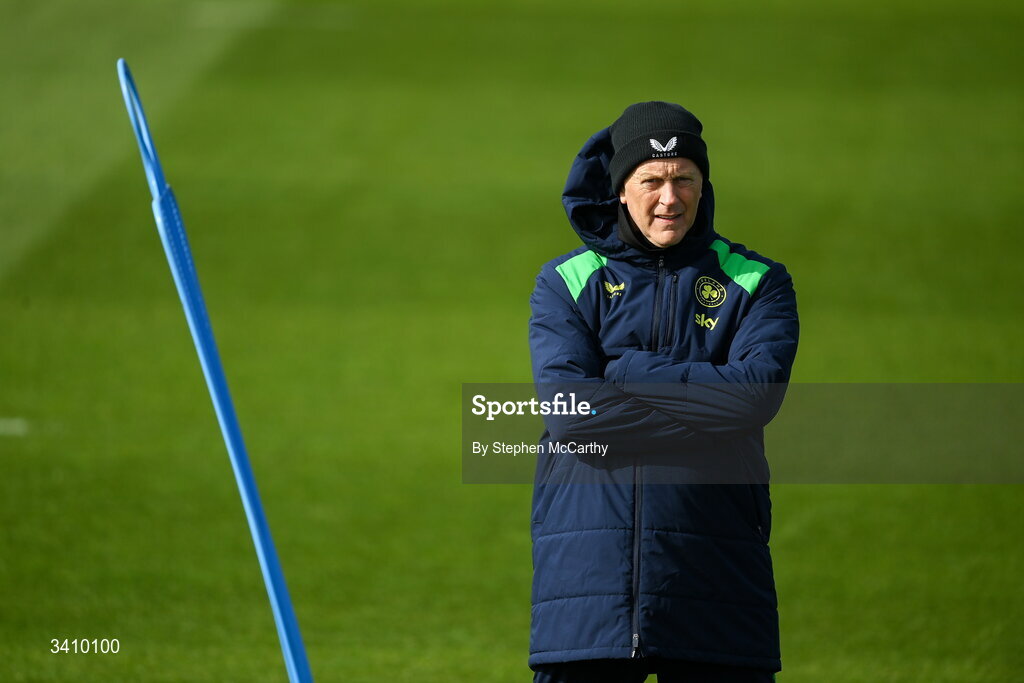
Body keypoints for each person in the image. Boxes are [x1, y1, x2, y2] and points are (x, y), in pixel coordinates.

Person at [528, 102, 799, 682]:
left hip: (715, 575)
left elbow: (754, 399)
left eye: (684, 180)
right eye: (650, 181)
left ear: (704, 186)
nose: (669, 199)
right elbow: (572, 416)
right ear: (621, 190)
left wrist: (625, 375)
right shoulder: (565, 282)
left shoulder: (758, 281)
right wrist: (707, 408)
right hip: (588, 587)